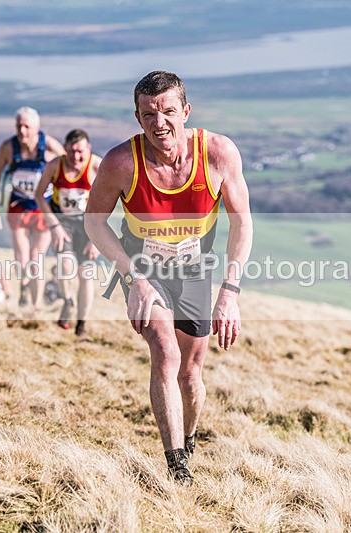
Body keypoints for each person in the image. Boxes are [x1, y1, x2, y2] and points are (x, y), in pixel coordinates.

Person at [85, 71, 253, 485]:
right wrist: (134, 278)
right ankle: (177, 467)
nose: (159, 123)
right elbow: (94, 222)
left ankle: (189, 437)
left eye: (168, 112)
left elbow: (242, 224)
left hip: (195, 267)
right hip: (144, 268)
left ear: (186, 111)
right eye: (148, 114)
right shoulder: (121, 163)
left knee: (191, 371)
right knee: (164, 350)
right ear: (137, 117)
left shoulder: (218, 154)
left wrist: (230, 292)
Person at [0, 106, 65, 311]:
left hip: (43, 207)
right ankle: (23, 285)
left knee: (36, 257)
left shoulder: (49, 146)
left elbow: (69, 167)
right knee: (22, 258)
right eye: (18, 126)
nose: (22, 131)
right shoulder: (8, 148)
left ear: (37, 128)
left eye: (26, 127)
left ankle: (36, 305)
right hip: (18, 205)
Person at [34, 129, 102, 336]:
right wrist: (54, 225)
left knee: (86, 275)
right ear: (65, 149)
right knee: (65, 266)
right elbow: (39, 195)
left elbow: (110, 201)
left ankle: (81, 325)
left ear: (88, 149)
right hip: (62, 222)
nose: (76, 157)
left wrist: (98, 239)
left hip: (88, 223)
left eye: (80, 151)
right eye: (72, 152)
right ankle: (68, 301)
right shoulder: (55, 166)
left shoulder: (97, 166)